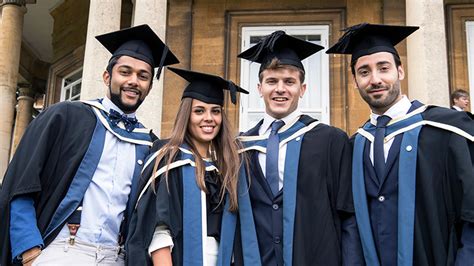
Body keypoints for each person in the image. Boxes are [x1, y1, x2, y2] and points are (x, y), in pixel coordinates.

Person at [0, 24, 179, 266]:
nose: (133, 81)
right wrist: (29, 250)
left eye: (142, 76)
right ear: (107, 76)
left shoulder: (148, 144)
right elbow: (22, 184)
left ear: (149, 85)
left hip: (115, 257)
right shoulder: (65, 117)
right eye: (125, 72)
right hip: (61, 251)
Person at [327, 23, 474, 265]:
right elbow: (350, 225)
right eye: (364, 72)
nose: (375, 79)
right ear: (354, 81)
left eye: (383, 68)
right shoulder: (355, 145)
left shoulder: (448, 131)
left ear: (400, 71)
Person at [235, 31, 362, 265]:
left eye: (289, 82)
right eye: (272, 81)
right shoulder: (239, 147)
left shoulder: (331, 141)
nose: (280, 89)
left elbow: (349, 216)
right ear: (259, 88)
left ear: (302, 89)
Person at [125, 67, 248, 266]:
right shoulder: (169, 157)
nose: (209, 118)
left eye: (215, 111)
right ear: (186, 116)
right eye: (199, 111)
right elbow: (159, 232)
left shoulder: (227, 167)